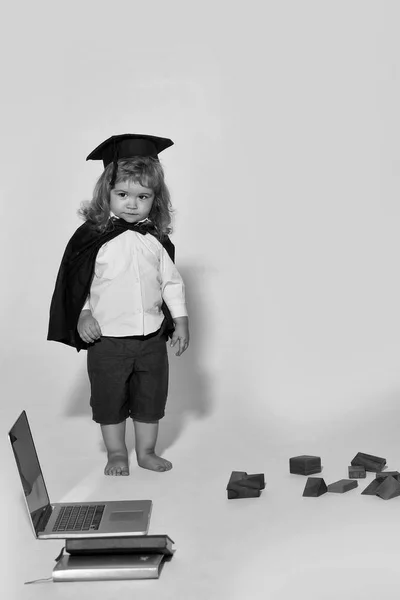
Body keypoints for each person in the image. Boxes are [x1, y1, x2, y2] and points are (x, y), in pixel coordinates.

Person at [48, 134, 189, 475]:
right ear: (106, 194)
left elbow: (171, 283)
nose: (131, 203)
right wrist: (82, 315)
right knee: (109, 401)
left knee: (150, 400)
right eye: (122, 194)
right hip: (107, 341)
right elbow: (77, 284)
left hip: (151, 340)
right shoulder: (92, 240)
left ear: (155, 200)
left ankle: (146, 451)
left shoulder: (155, 240)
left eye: (142, 196)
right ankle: (116, 453)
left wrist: (181, 320)